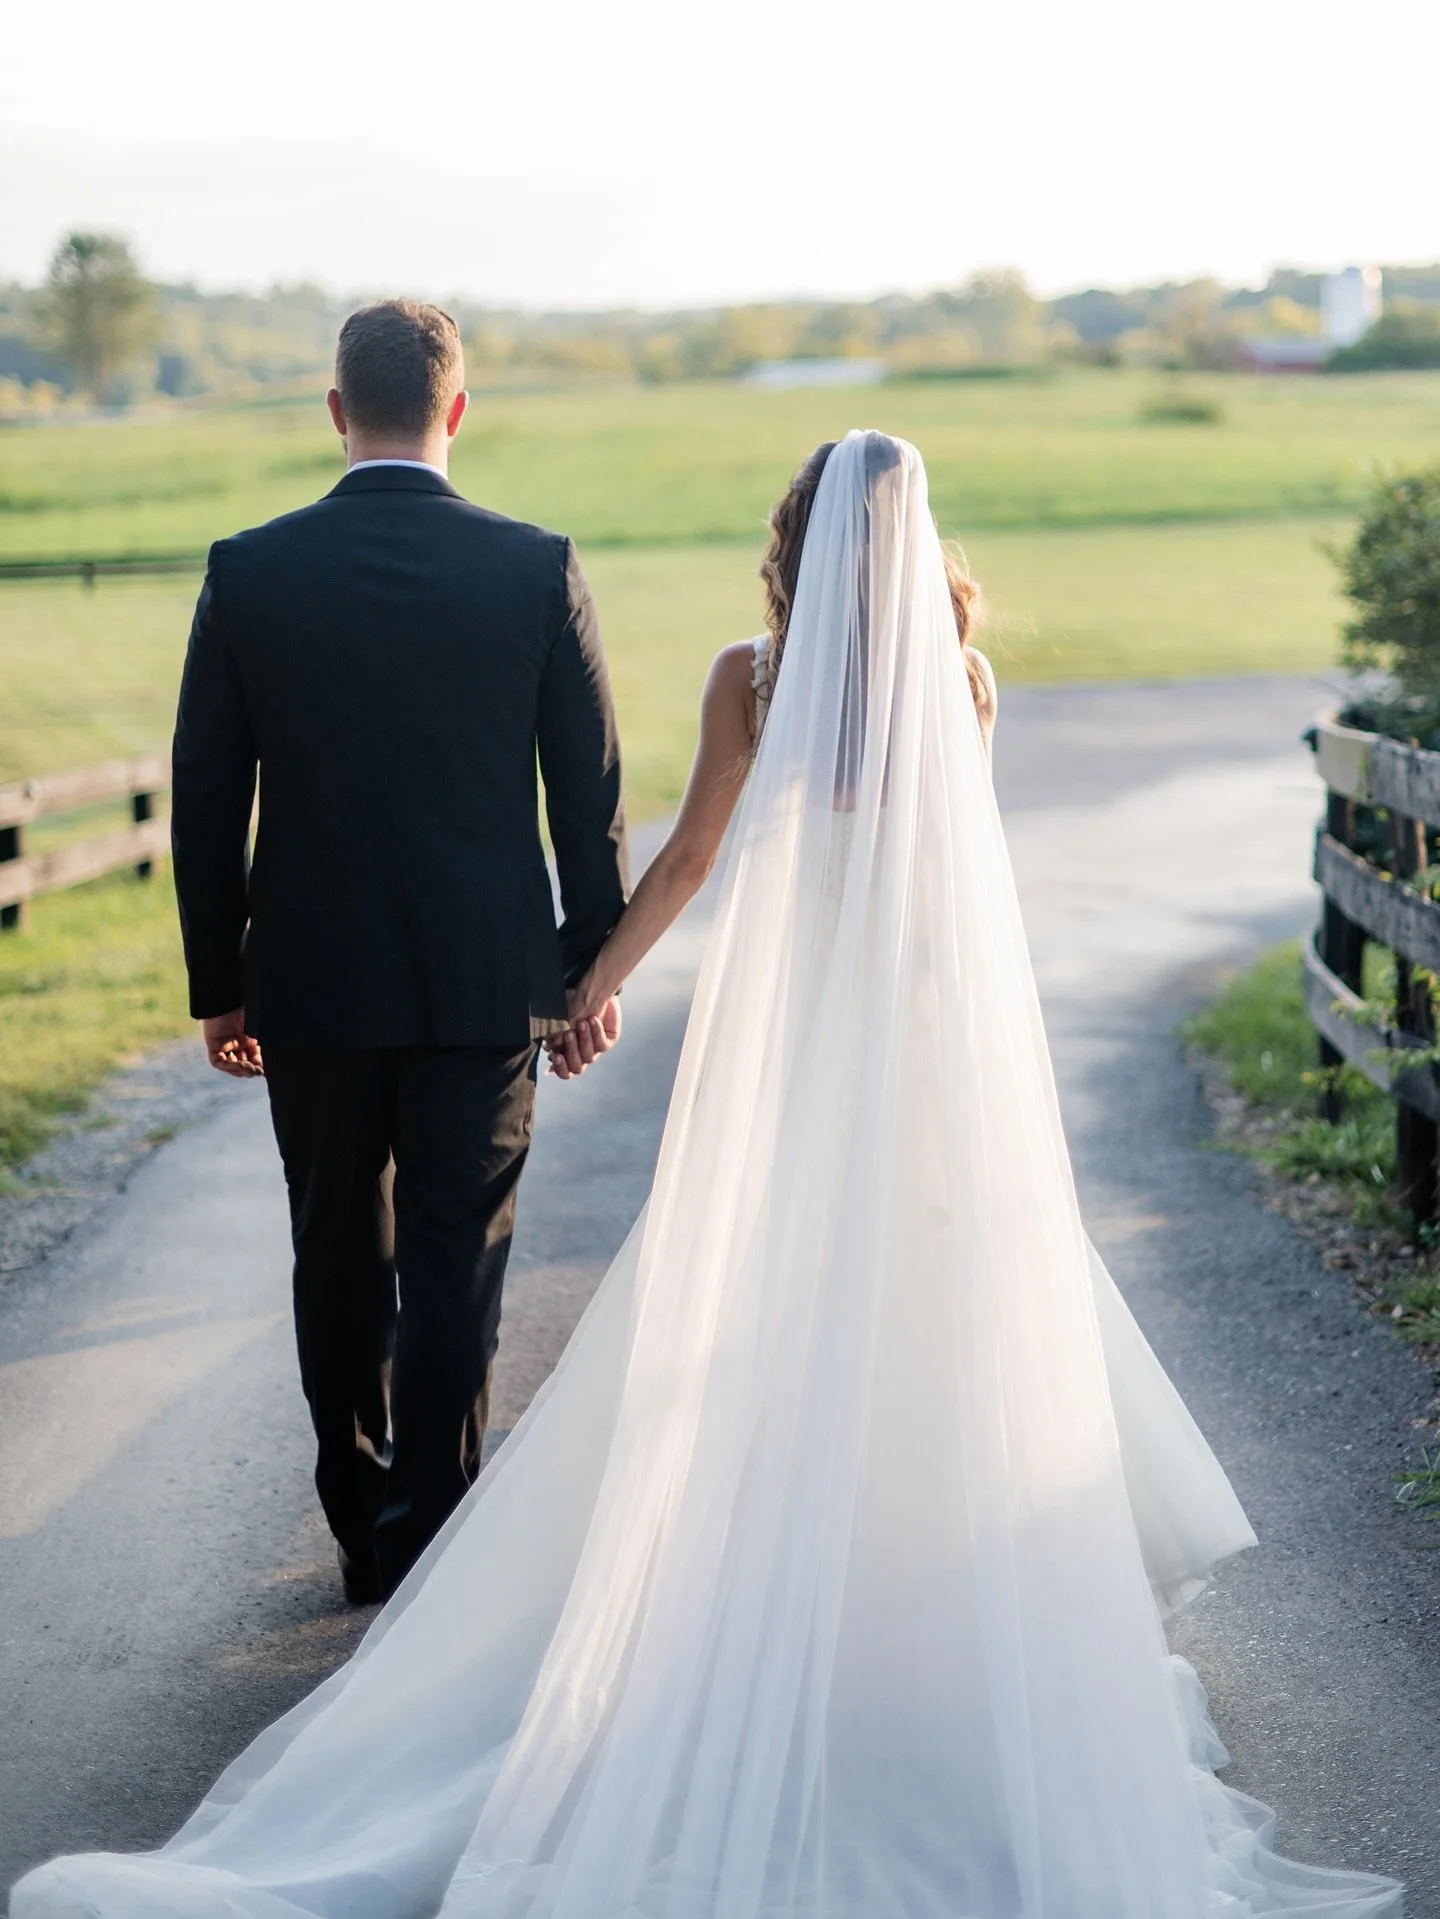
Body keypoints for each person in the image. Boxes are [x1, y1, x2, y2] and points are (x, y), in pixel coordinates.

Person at [12, 432, 1400, 1919]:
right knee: (935, 1327)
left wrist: (582, 986)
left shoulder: (752, 675)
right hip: (928, 1048)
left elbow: (683, 863)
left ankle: (727, 1607)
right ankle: (932, 1627)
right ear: (921, 548)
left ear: (791, 543)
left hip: (794, 1048)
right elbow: (965, 888)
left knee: (766, 1323)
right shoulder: (967, 682)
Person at [166, 299, 628, 1604]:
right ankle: (436, 1533)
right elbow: (583, 794)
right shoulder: (535, 567)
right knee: (454, 1253)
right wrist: (587, 970)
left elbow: (208, 791)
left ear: (334, 412)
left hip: (307, 979)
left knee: (335, 1247)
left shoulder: (248, 568)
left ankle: (363, 1526)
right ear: (458, 410)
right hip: (483, 980)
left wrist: (218, 984)